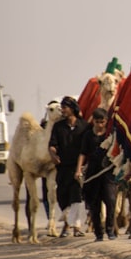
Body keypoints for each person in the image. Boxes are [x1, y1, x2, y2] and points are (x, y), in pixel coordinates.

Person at [49, 96, 89, 237]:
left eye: (64, 108)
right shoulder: (58, 127)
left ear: (72, 108)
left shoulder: (84, 126)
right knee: (62, 197)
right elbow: (52, 145)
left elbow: (87, 148)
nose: (63, 110)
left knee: (76, 197)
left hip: (78, 168)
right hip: (62, 168)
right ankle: (69, 224)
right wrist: (53, 154)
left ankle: (73, 227)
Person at [77, 108, 117, 241]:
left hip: (108, 172)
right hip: (93, 173)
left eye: (102, 122)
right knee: (94, 205)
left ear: (106, 121)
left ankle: (110, 230)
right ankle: (99, 233)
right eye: (97, 122)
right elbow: (82, 153)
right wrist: (78, 170)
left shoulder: (110, 136)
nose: (100, 125)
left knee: (111, 201)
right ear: (93, 121)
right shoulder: (88, 135)